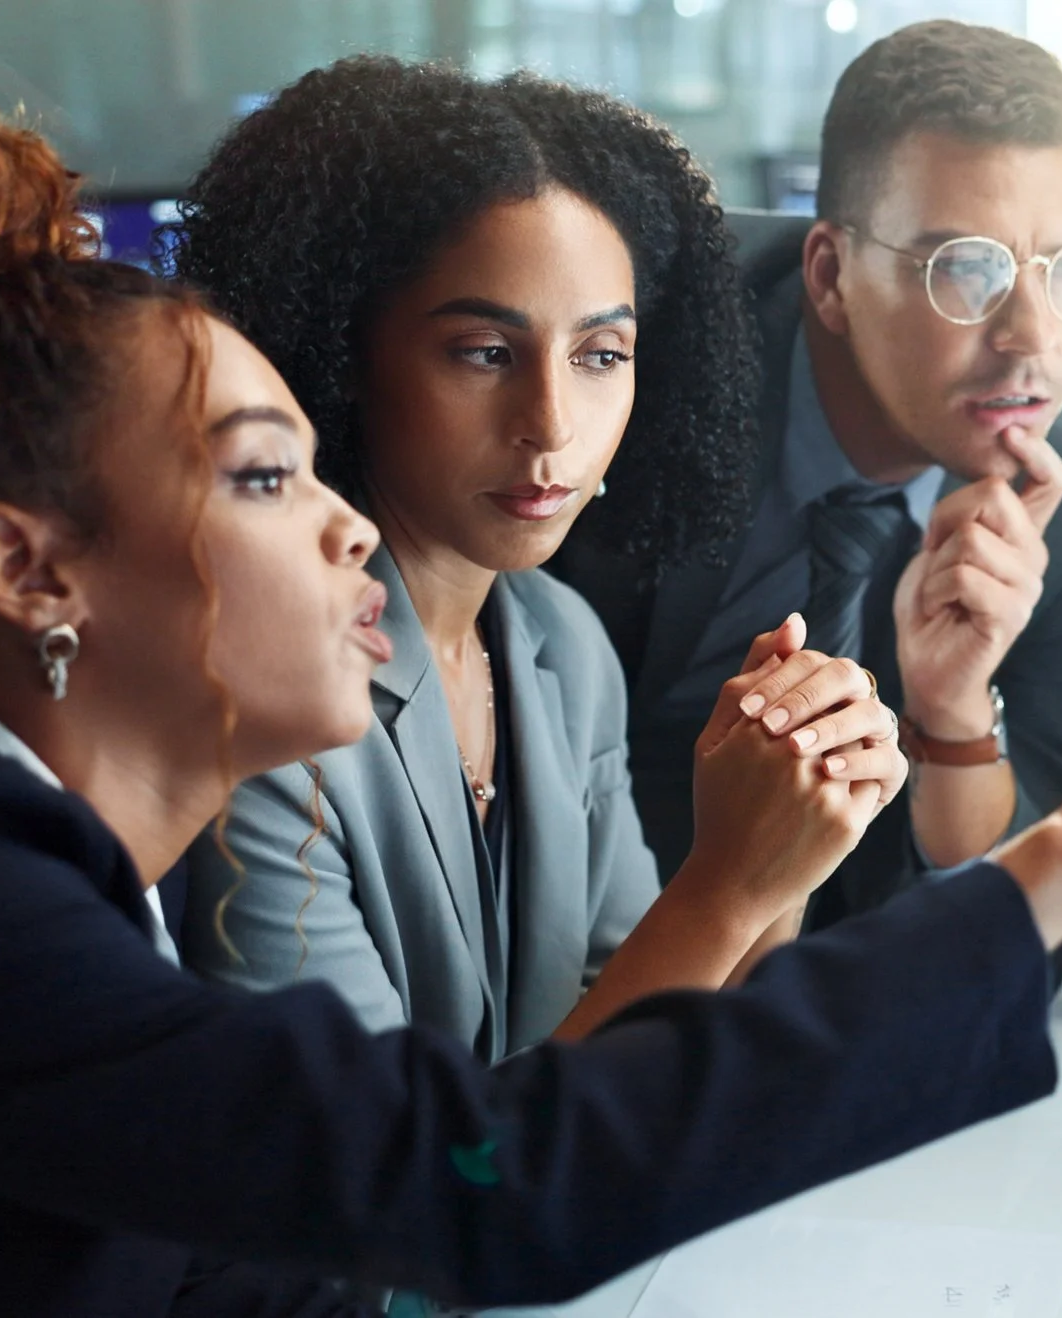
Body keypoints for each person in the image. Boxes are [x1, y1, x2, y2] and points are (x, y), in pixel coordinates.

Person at [0, 109, 1062, 1315]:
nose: (342, 521)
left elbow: (253, 1269)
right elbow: (481, 1178)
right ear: (30, 571)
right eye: (260, 475)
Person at [167, 61, 896, 1051]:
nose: (551, 424)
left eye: (600, 356)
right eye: (484, 351)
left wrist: (789, 841)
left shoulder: (560, 644)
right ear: (338, 349)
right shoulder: (259, 712)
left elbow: (645, 1048)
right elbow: (404, 1175)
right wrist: (724, 886)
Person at [551, 19, 1062, 933]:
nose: (1033, 336)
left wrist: (954, 714)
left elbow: (1045, 876)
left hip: (834, 962)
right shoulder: (643, 345)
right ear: (831, 275)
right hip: (568, 908)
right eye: (969, 270)